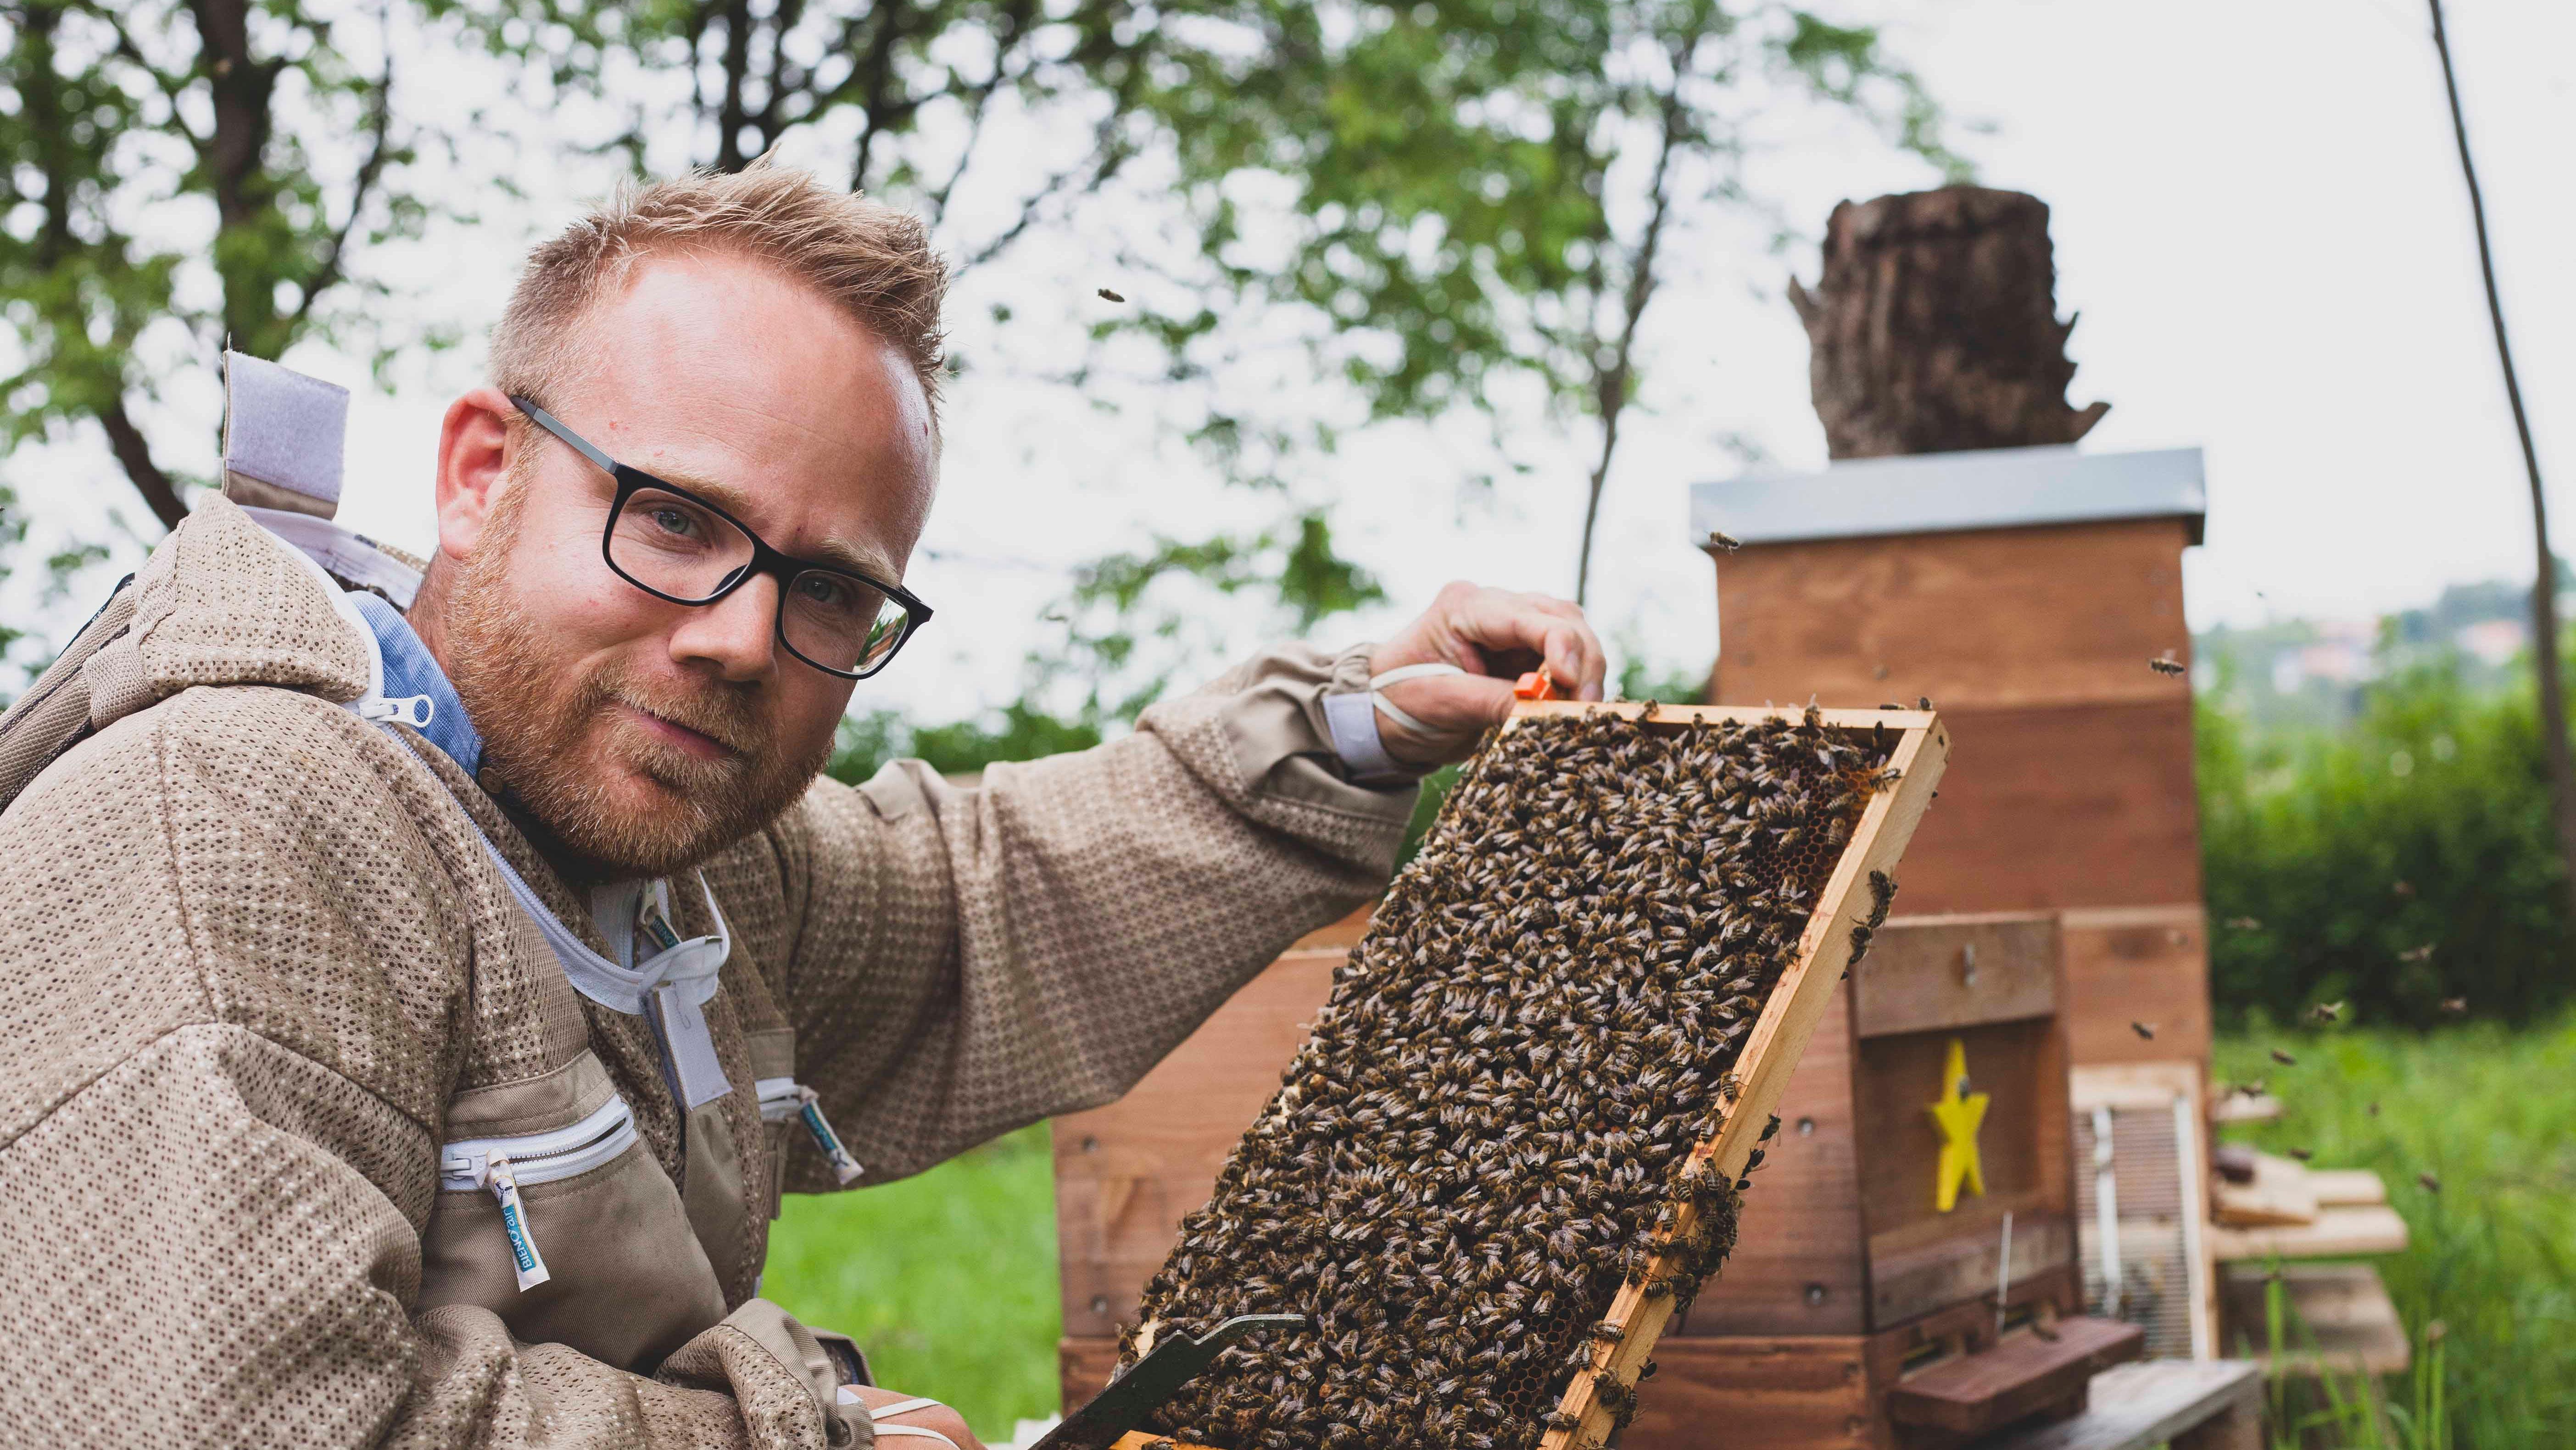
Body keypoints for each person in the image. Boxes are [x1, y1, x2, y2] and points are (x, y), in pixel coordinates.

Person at [0, 162, 1605, 1449]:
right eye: (678, 520)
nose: (744, 640)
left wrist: (1347, 726)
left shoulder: (656, 853)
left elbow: (988, 897)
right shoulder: (225, 827)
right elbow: (223, 1415)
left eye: (832, 590)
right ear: (483, 472)